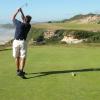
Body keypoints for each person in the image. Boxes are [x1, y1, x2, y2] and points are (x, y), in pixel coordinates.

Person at [12, 8, 32, 78]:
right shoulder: (29, 26)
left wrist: (17, 11)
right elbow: (25, 19)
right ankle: (21, 71)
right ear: (29, 21)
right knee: (23, 57)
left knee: (17, 57)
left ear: (24, 19)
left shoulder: (18, 24)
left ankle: (18, 70)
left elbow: (13, 17)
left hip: (15, 42)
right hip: (23, 42)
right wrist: (22, 12)